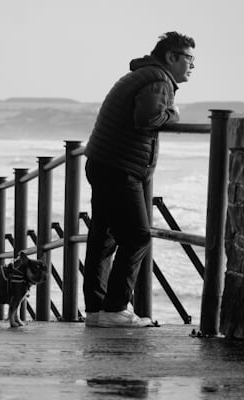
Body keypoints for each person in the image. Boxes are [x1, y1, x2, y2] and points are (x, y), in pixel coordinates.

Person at [83, 31, 195, 327]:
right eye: (189, 59)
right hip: (120, 168)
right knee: (137, 236)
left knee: (103, 237)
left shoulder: (140, 75)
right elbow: (147, 119)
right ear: (172, 57)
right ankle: (116, 309)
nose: (193, 67)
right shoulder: (158, 80)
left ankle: (96, 309)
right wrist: (173, 113)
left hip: (103, 162)